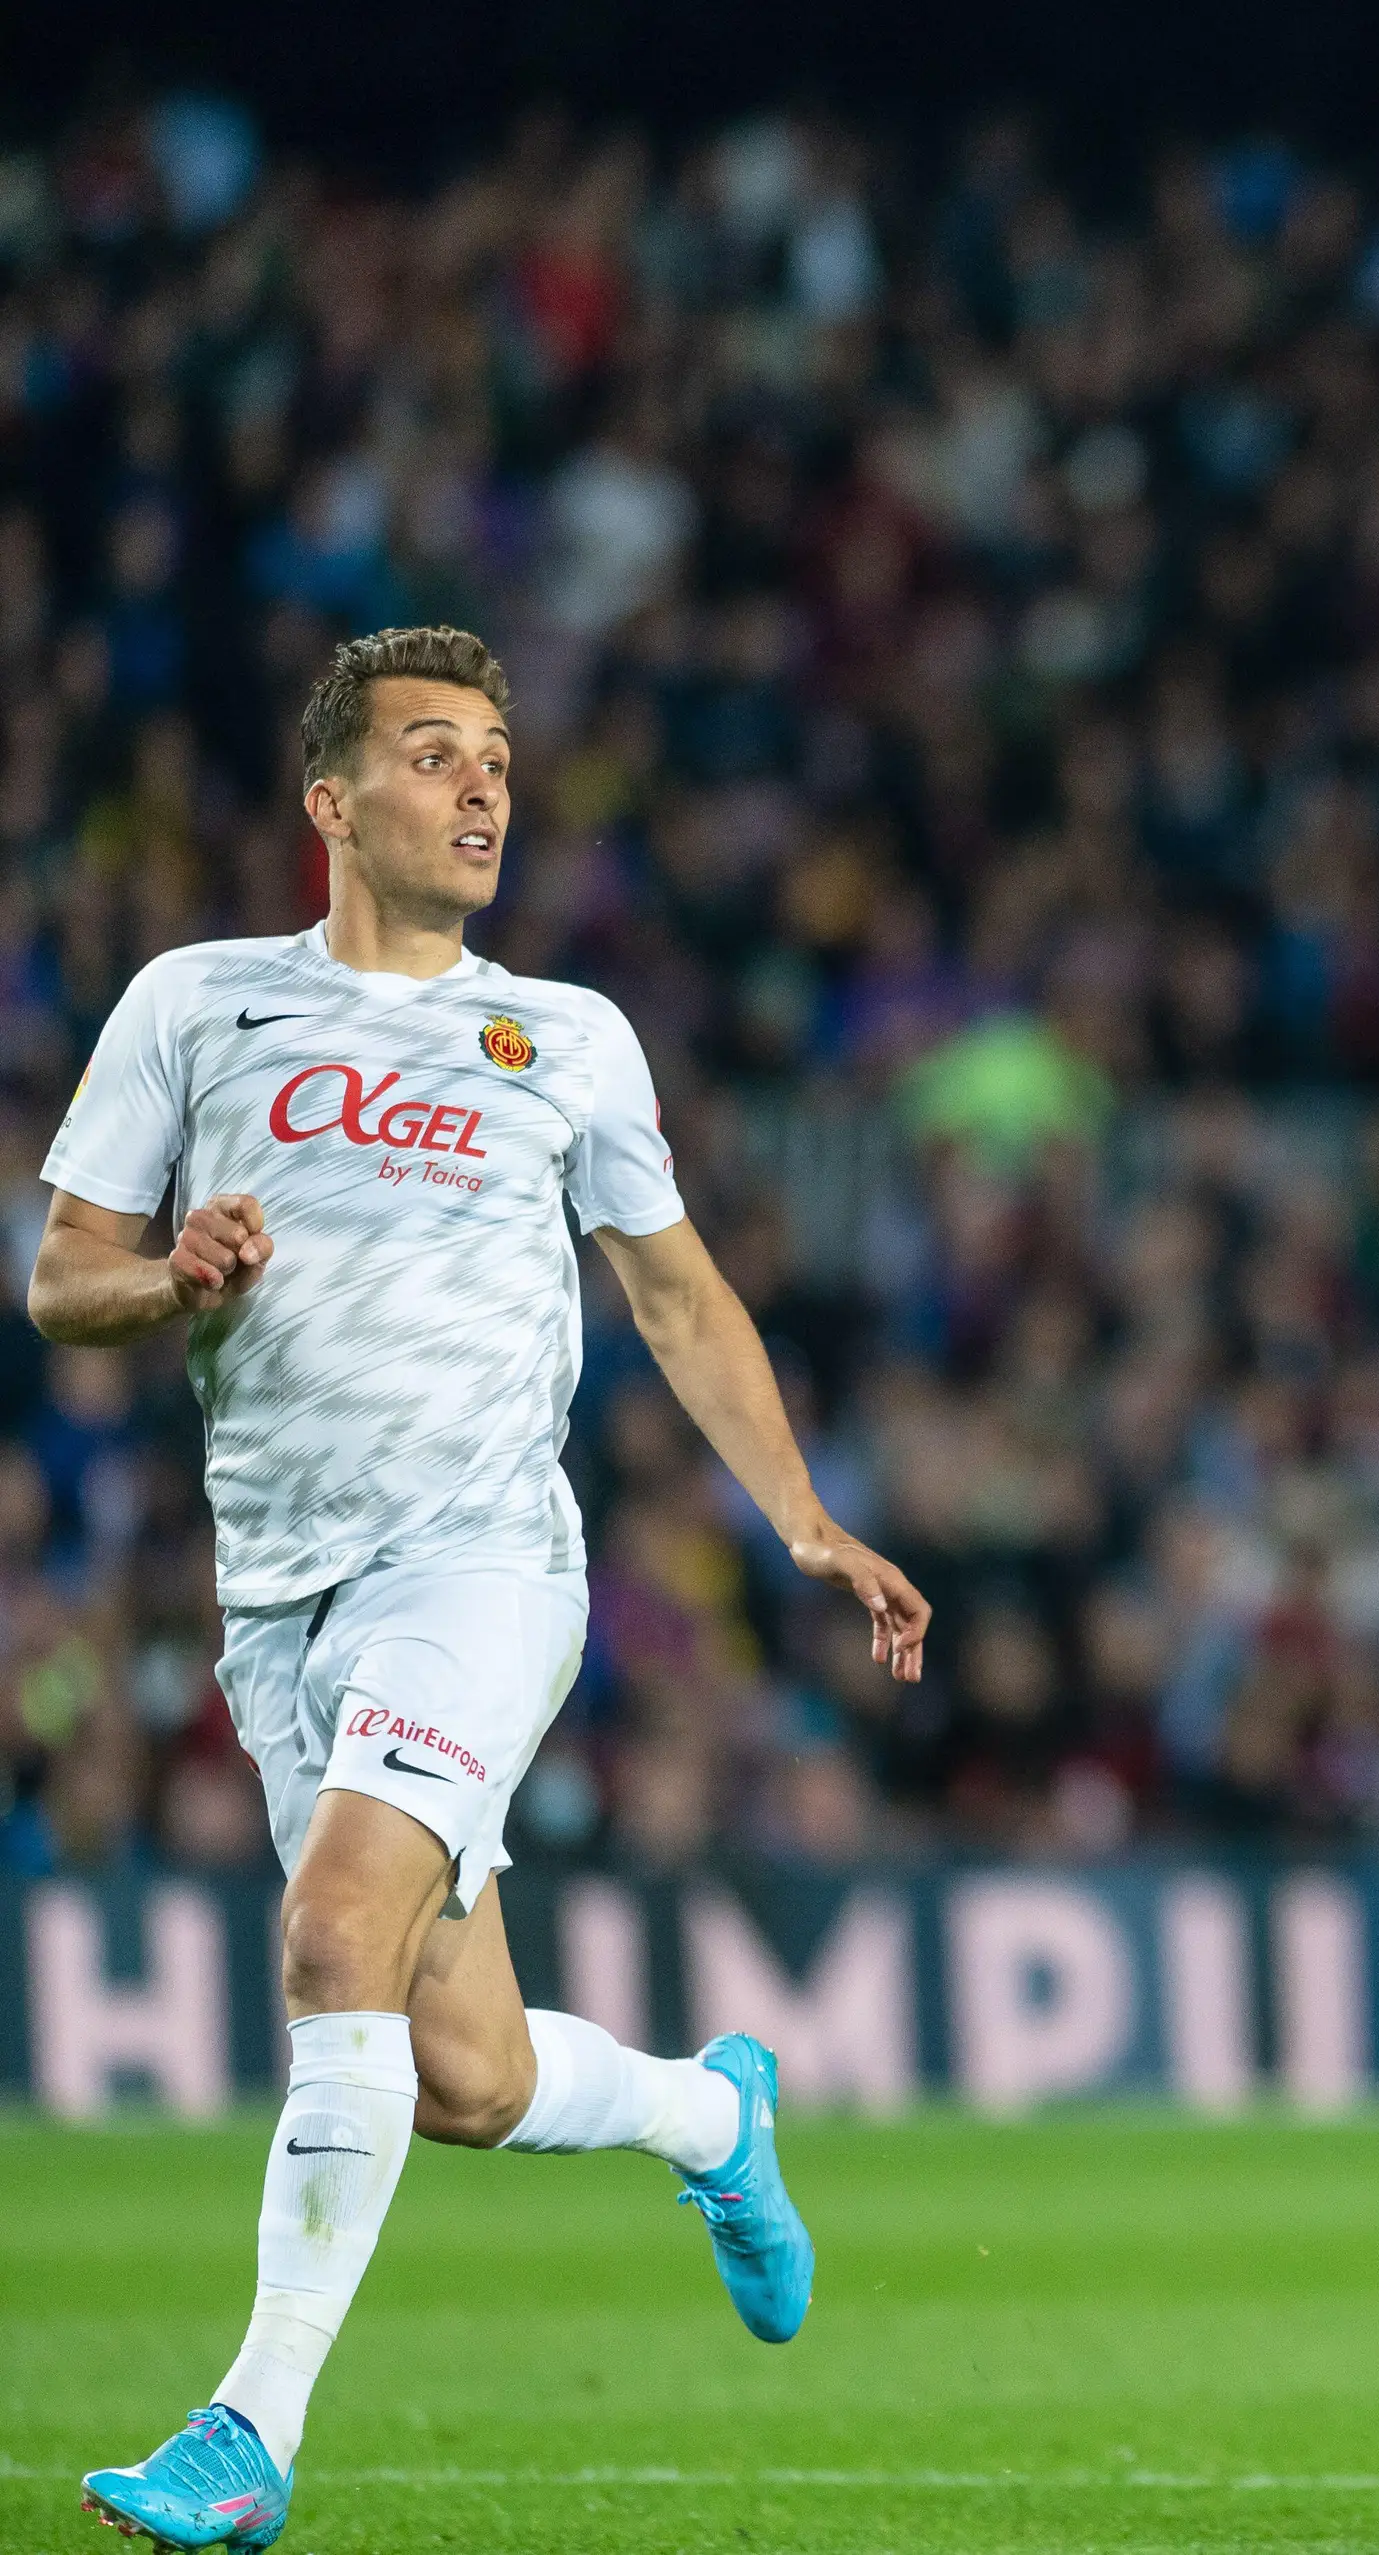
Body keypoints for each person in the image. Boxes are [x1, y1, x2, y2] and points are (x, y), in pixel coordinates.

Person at [44, 626, 932, 2548]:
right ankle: (715, 2117)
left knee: (328, 1937)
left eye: (499, 767)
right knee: (462, 2075)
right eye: (433, 755)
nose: (478, 791)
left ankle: (247, 2429)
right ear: (330, 798)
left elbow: (678, 1295)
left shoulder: (565, 1038)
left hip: (483, 1563)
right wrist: (168, 1277)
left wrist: (799, 1517)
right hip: (280, 1596)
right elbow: (61, 1282)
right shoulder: (196, 1009)